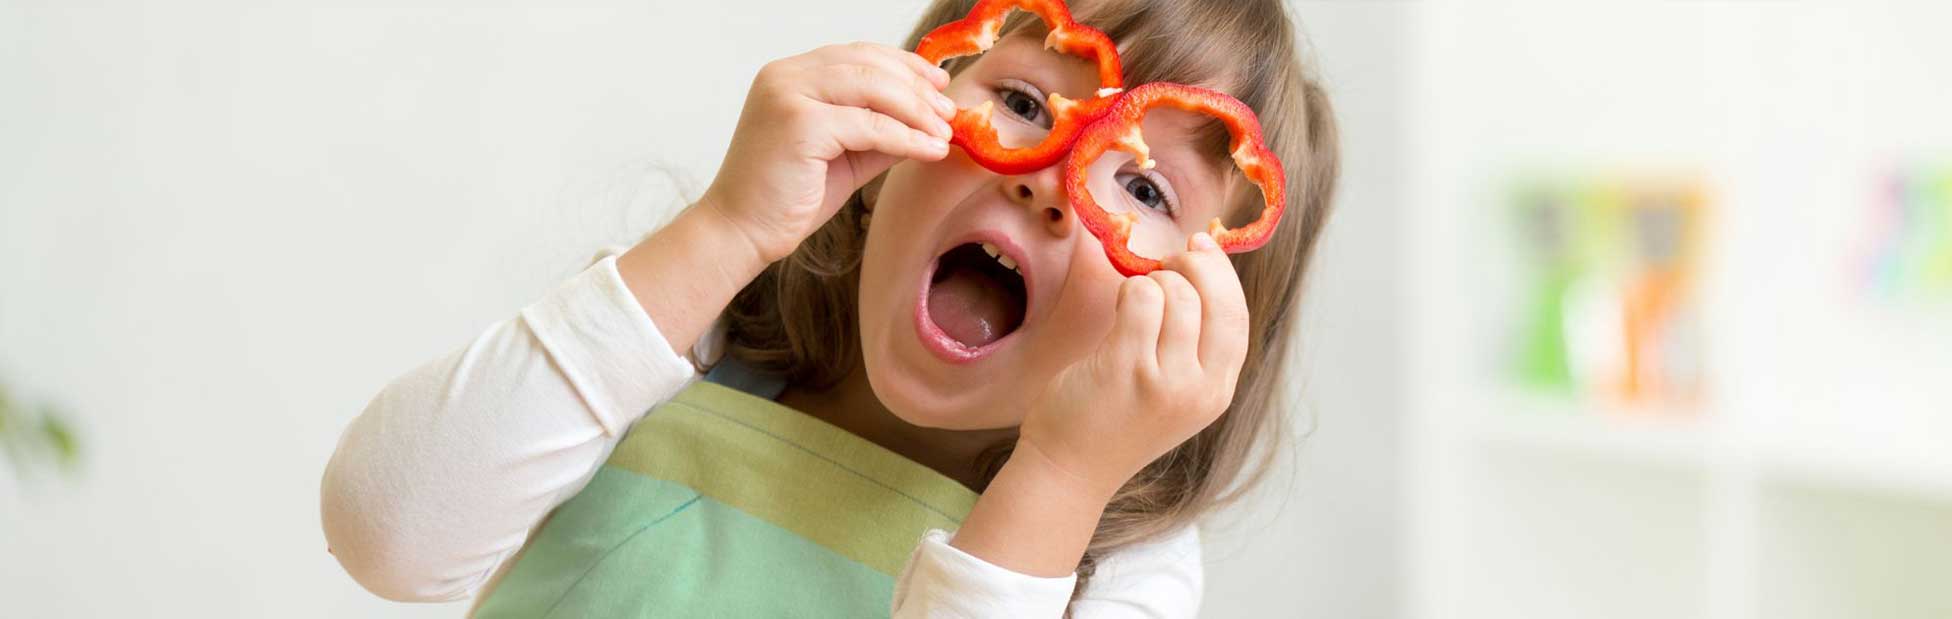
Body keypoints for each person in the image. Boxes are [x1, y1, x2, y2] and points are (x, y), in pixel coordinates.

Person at [321, 0, 1339, 615]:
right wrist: (722, 226)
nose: (1048, 181)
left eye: (1144, 189)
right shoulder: (688, 330)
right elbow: (387, 536)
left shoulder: (1121, 563)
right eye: (1024, 104)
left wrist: (1060, 480)